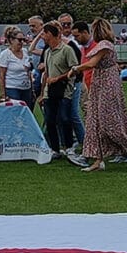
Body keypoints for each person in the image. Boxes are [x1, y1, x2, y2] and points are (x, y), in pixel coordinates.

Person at [69, 18, 127, 172]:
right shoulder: (101, 45)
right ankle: (98, 160)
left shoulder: (105, 45)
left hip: (107, 86)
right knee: (94, 122)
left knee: (109, 123)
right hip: (100, 85)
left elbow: (92, 63)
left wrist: (75, 68)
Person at [38, 22, 79, 158]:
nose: (42, 37)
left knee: (64, 118)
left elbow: (75, 69)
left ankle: (68, 146)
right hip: (50, 91)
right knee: (50, 120)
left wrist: (59, 78)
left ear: (50, 34)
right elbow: (47, 74)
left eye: (44, 34)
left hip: (64, 90)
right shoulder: (48, 52)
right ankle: (55, 149)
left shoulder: (67, 50)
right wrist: (43, 92)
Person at [57, 13, 86, 152]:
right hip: (64, 81)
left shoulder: (73, 42)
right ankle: (67, 142)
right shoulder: (59, 41)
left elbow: (77, 63)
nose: (67, 27)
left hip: (75, 80)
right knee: (63, 114)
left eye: (69, 24)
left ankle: (85, 142)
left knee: (74, 113)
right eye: (64, 24)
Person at [0, 25, 32, 105]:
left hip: (26, 87)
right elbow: (2, 75)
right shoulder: (5, 55)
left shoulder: (25, 52)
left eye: (23, 40)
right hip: (12, 88)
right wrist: (3, 94)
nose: (22, 42)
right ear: (11, 40)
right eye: (19, 40)